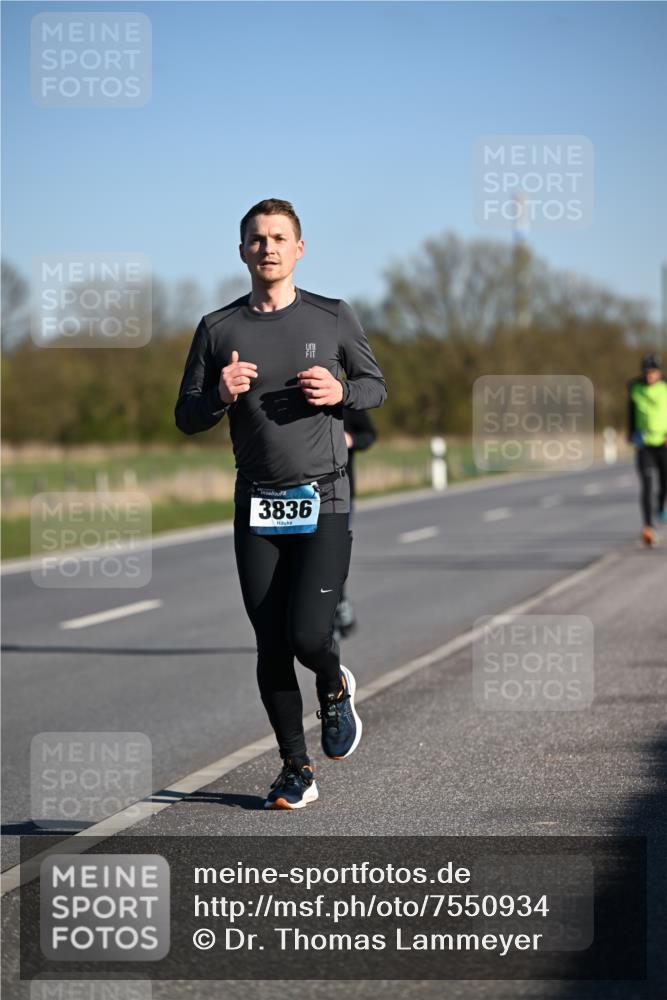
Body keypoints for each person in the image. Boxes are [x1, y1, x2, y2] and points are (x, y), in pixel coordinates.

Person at [175, 199, 387, 809]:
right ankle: (296, 767)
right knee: (270, 644)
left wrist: (341, 390)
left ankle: (332, 683)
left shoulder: (334, 316)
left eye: (279, 238)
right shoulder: (218, 329)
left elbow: (376, 386)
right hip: (257, 506)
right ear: (242, 250)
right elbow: (185, 415)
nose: (268, 247)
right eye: (256, 239)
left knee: (308, 635)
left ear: (299, 249)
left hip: (325, 497)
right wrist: (217, 393)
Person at [333, 408, 377, 639]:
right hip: (301, 495)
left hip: (341, 493)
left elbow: (370, 434)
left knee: (334, 555)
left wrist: (351, 439)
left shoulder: (347, 400)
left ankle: (338, 607)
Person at [627, 352, 667, 547]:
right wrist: (631, 433)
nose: (650, 375)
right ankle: (648, 527)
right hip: (644, 444)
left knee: (664, 484)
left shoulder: (665, 388)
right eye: (647, 372)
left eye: (653, 372)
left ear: (659, 373)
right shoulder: (635, 388)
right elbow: (631, 412)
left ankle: (661, 506)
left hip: (664, 443)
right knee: (647, 484)